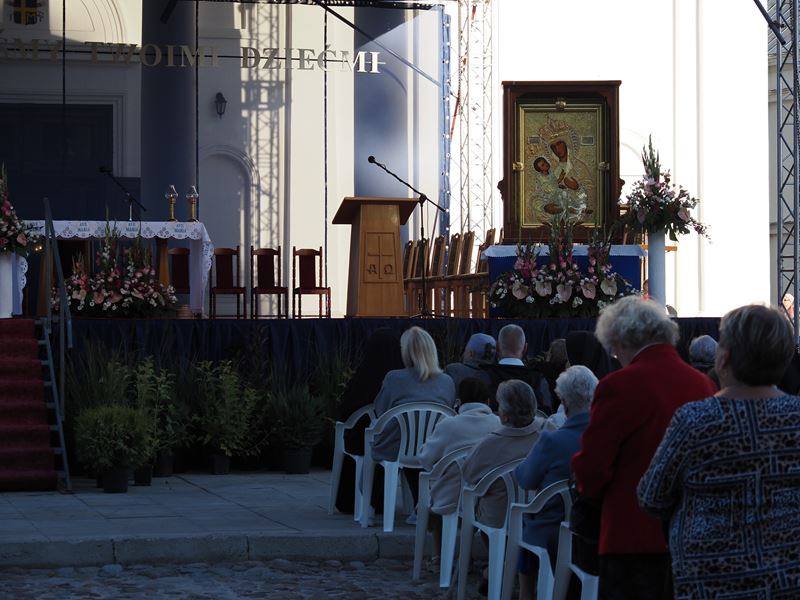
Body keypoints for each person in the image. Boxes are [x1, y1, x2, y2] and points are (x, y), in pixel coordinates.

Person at [639, 305, 800, 599]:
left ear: (724, 358)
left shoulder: (695, 420)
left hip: (708, 581)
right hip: (787, 579)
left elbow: (652, 497)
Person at [571, 297, 716, 600]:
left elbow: (593, 467)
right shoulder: (702, 384)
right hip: (691, 533)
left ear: (623, 339)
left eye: (613, 348)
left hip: (631, 533)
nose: (615, 356)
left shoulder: (618, 386)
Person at [514, 366, 597, 600]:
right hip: (593, 527)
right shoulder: (605, 438)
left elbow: (526, 479)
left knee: (525, 519)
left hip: (552, 527)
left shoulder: (552, 440)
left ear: (564, 403)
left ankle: (527, 593)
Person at [416, 377, 501, 564]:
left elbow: (425, 459)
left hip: (452, 497)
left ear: (459, 401)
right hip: (487, 496)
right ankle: (489, 561)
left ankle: (438, 557)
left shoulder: (448, 425)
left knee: (435, 497)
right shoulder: (498, 424)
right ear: (488, 401)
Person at [371, 326, 456, 501]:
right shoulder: (447, 381)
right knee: (417, 442)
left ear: (406, 352)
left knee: (379, 437)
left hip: (396, 448)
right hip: (434, 447)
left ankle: (371, 502)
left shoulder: (394, 378)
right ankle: (421, 503)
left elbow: (381, 411)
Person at [336, 328, 403, 514]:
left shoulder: (363, 378)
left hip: (360, 442)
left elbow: (345, 410)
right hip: (398, 442)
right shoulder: (402, 379)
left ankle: (354, 498)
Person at [462, 380, 543, 529]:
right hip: (538, 514)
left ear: (504, 415)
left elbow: (468, 475)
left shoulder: (489, 444)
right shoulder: (548, 433)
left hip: (498, 521)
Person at [482, 324, 552, 413]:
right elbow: (545, 413)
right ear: (525, 348)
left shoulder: (484, 376)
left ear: (497, 347)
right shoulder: (538, 379)